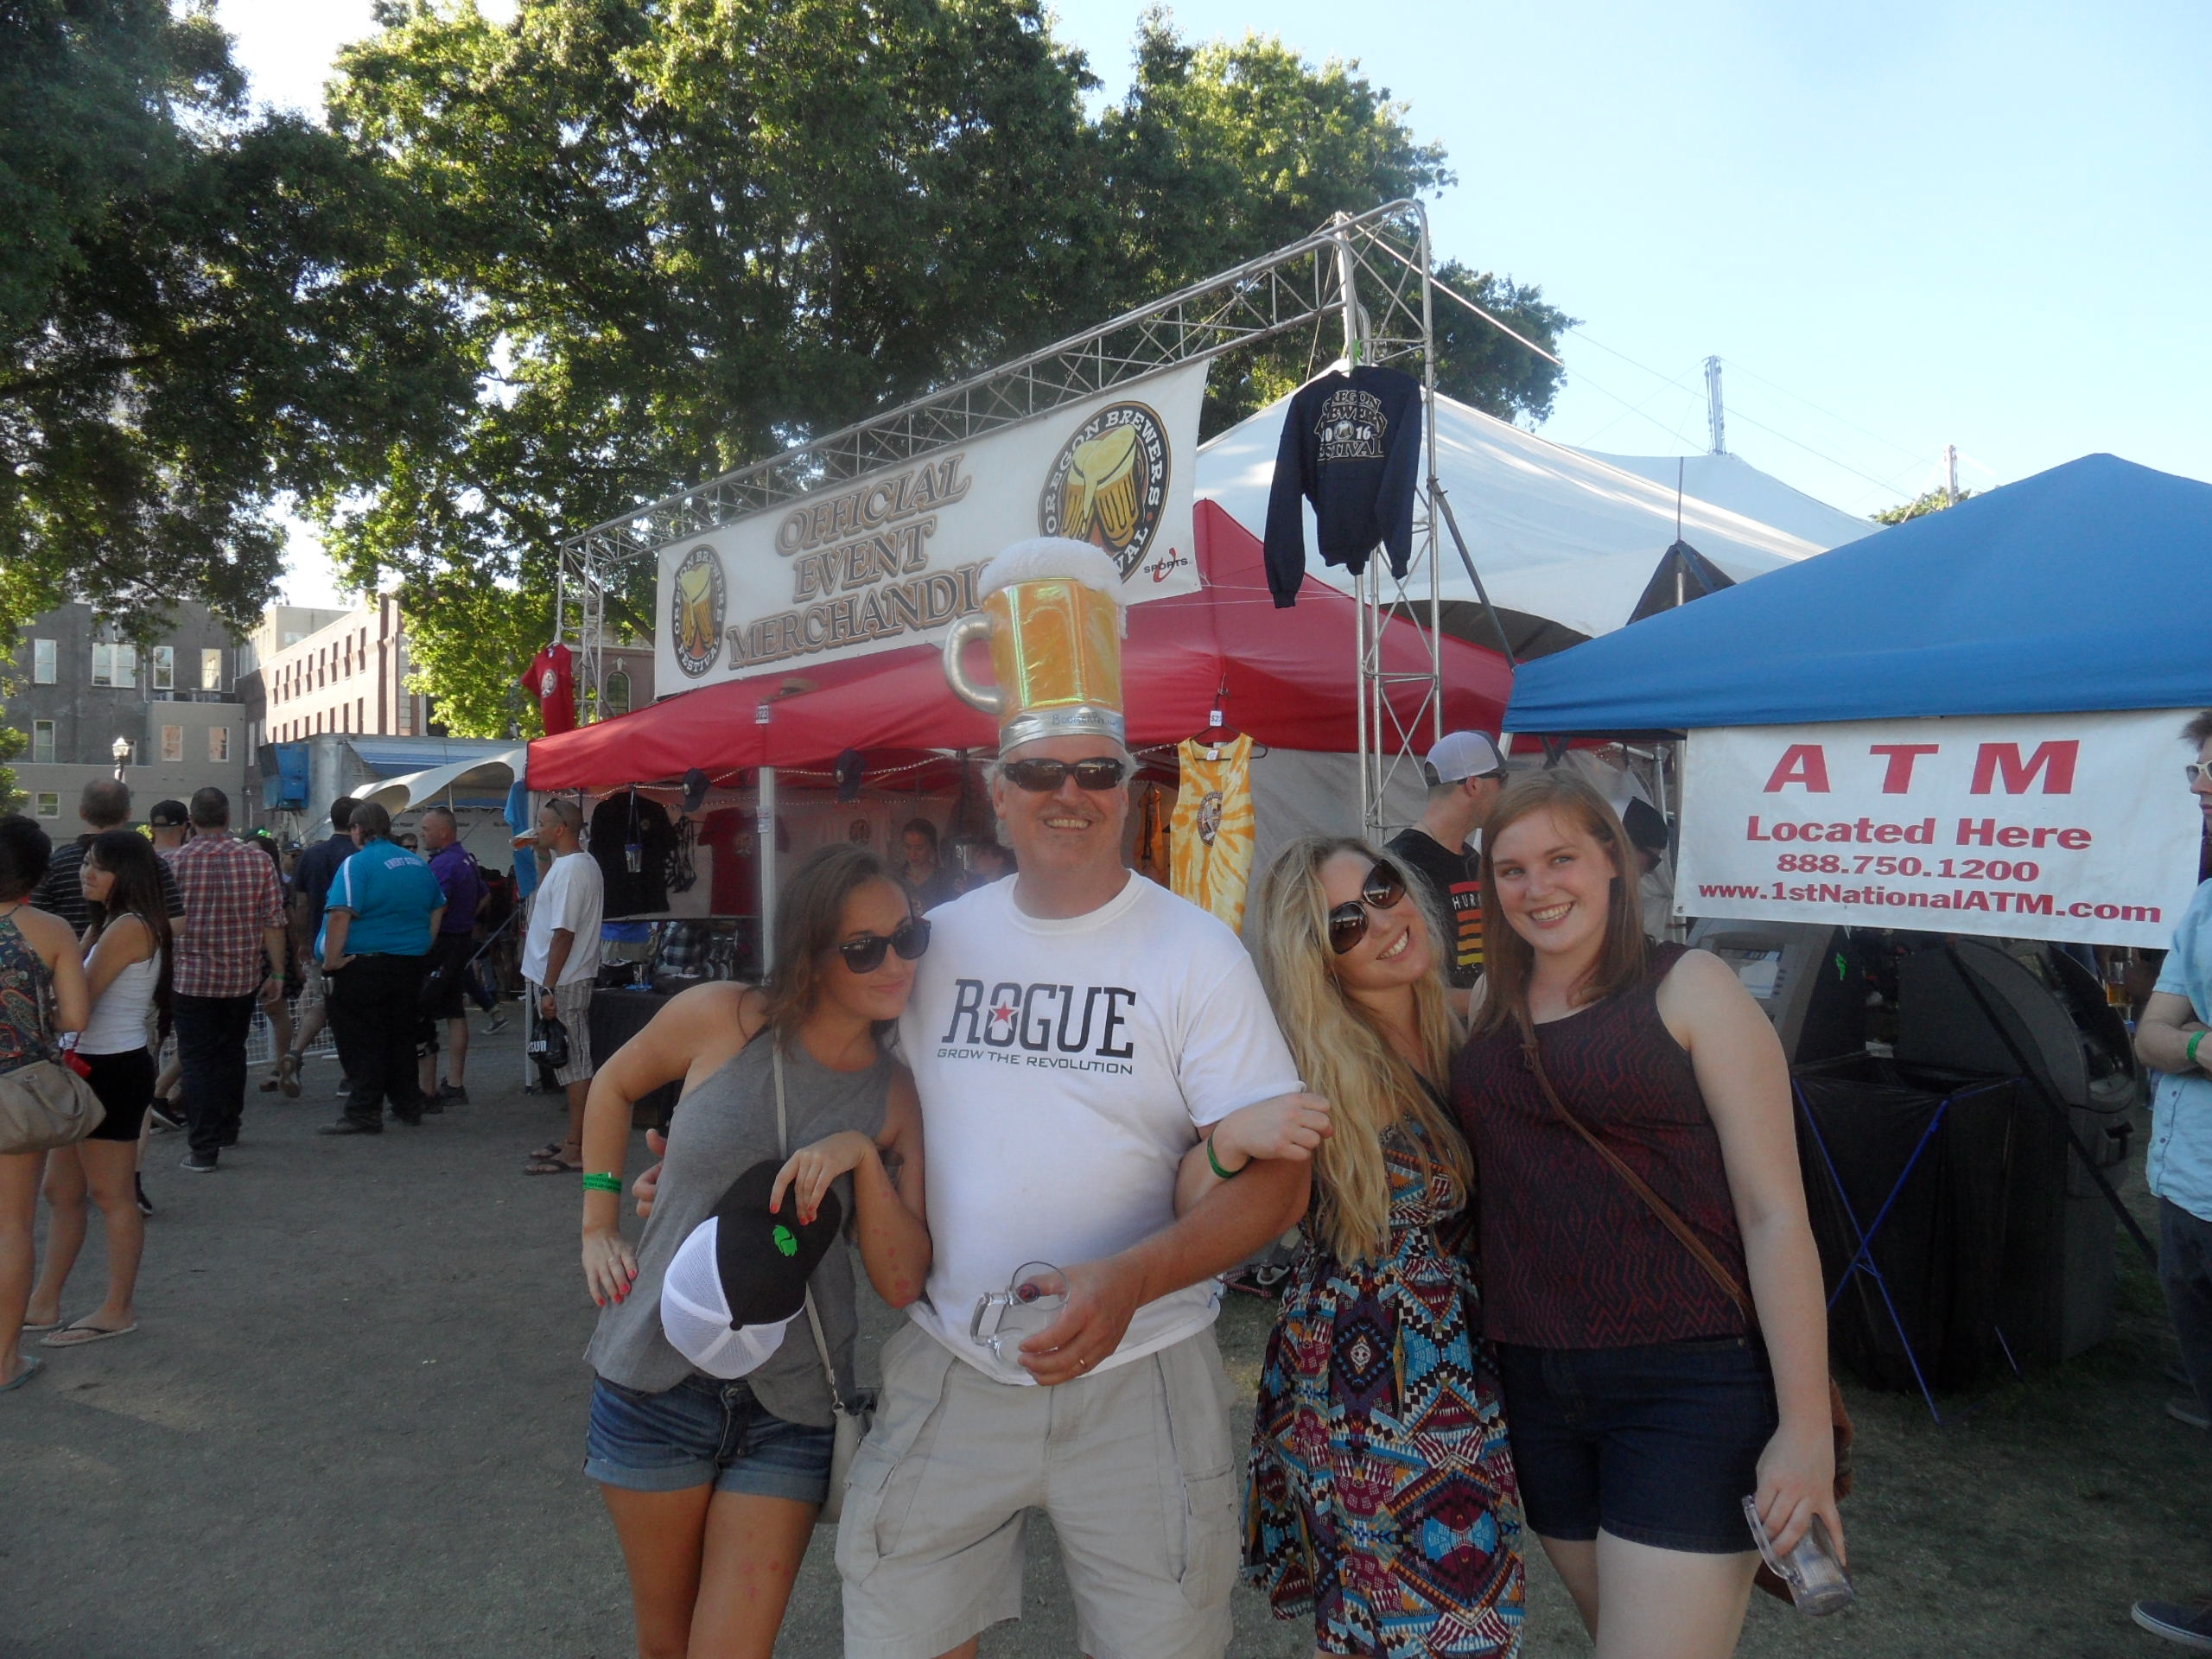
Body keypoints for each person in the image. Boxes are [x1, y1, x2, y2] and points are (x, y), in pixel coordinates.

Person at [840, 537, 1317, 1659]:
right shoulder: (933, 944)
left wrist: (1128, 1279)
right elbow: (837, 1076)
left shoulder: (1197, 953)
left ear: (1128, 788)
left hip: (1144, 1372)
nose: (1070, 796)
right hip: (954, 1358)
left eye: (1096, 773)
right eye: (1042, 773)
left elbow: (1279, 1185)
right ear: (996, 791)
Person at [1453, 769, 1838, 1658]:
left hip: (1689, 1383)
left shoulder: (1690, 984)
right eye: (1511, 870)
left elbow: (1775, 1213)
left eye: (1561, 859)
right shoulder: (1484, 1001)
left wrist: (1804, 1426)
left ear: (1613, 864)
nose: (1538, 888)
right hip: (1537, 1384)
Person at [576, 844, 932, 1658]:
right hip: (653, 1378)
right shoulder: (723, 1017)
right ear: (811, 950)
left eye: (907, 938)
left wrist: (861, 1158)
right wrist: (600, 1221)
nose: (894, 963)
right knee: (665, 1640)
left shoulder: (895, 1096)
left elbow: (905, 1280)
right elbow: (614, 1086)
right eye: (864, 947)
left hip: (792, 1403)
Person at [1204, 835, 1524, 1656]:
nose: (1383, 921)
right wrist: (1226, 1143)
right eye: (1345, 923)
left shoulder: (1468, 1024)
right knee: (1411, 1622)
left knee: (1422, 1620)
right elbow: (1201, 1203)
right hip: (1371, 1377)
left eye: (1382, 891)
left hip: (1460, 1366)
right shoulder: (1310, 1069)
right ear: (1320, 958)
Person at [2128, 709, 2212, 1650]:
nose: (2198, 787)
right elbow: (2148, 1034)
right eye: (2198, 770)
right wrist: (2198, 1043)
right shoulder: (2206, 905)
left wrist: (2184, 1042)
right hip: (2185, 1194)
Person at [25, 830, 168, 1348]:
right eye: (85, 862)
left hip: (110, 1069)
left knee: (112, 1195)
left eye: (98, 866)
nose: (86, 873)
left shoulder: (128, 926)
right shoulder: (109, 923)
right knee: (61, 1192)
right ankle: (43, 1302)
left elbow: (75, 1003)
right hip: (87, 1063)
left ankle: (117, 1307)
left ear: (124, 875)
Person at [0, 815, 91, 1393]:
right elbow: (76, 1018)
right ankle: (4, 1360)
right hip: (16, 1091)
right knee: (12, 1226)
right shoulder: (51, 929)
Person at [168, 788, 287, 1173]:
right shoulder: (257, 859)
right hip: (241, 974)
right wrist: (279, 972)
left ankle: (203, 1147)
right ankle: (228, 1126)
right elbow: (273, 920)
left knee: (198, 1059)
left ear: (192, 819)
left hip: (191, 977)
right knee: (232, 1052)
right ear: (227, 815)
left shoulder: (175, 863)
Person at [315, 801, 446, 1135]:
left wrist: (331, 962)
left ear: (358, 830)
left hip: (364, 963)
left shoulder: (356, 864)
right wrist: (423, 942)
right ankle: (407, 1104)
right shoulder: (417, 865)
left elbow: (341, 913)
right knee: (400, 1037)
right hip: (408, 963)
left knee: (361, 1039)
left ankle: (364, 1109)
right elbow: (438, 906)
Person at [1385, 730, 1508, 1014]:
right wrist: (1498, 1004)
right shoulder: (1398, 866)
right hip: (1435, 1047)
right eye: (1502, 780)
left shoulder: (1476, 862)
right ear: (1474, 785)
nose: (1506, 792)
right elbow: (1395, 983)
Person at [521, 798, 604, 1174]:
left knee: (574, 1063)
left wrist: (549, 987)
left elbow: (564, 933)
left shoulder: (573, 870)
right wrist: (538, 851)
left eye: (541, 824)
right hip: (560, 976)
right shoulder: (568, 865)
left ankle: (579, 1145)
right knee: (570, 1062)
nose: (535, 829)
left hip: (565, 978)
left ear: (561, 829)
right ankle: (576, 1138)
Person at [29, 779, 185, 940]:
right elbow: (176, 921)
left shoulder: (57, 862)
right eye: (87, 864)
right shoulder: (149, 861)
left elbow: (36, 917)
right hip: (135, 960)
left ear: (82, 812)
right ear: (128, 814)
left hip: (66, 955)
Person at [283, 796, 360, 1099]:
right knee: (351, 1009)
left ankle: (295, 1051)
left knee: (321, 1000)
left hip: (319, 940)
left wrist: (303, 941)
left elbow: (300, 903)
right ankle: (349, 1074)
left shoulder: (312, 856)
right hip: (355, 941)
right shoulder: (359, 853)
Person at [417, 807, 489, 1105]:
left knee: (422, 1009)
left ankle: (427, 1089)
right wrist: (467, 919)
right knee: (454, 1011)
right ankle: (454, 1082)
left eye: (426, 830)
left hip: (443, 943)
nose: (422, 835)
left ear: (443, 832)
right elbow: (485, 895)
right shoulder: (466, 859)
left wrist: (427, 936)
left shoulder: (445, 864)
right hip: (459, 940)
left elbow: (437, 905)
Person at [896, 817, 958, 912]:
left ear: (931, 847)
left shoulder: (945, 879)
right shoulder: (895, 879)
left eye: (919, 848)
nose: (913, 854)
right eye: (908, 847)